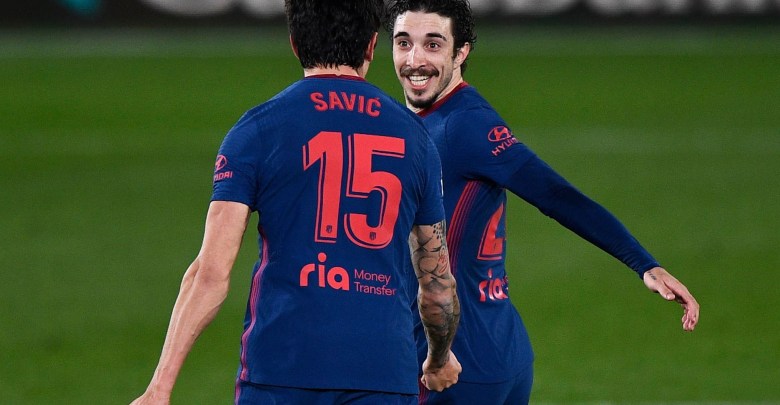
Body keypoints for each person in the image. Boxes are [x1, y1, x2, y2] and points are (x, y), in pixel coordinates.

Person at [130, 1, 462, 404]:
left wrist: (160, 388)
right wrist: (439, 359)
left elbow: (210, 273)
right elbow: (437, 286)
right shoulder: (416, 139)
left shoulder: (257, 130)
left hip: (280, 369)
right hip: (381, 372)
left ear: (294, 44)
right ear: (372, 45)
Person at [386, 0, 701, 403]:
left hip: (455, 366)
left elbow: (554, 194)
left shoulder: (462, 126)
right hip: (503, 347)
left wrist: (643, 263)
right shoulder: (438, 121)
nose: (415, 60)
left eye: (433, 45)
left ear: (460, 52)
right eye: (404, 43)